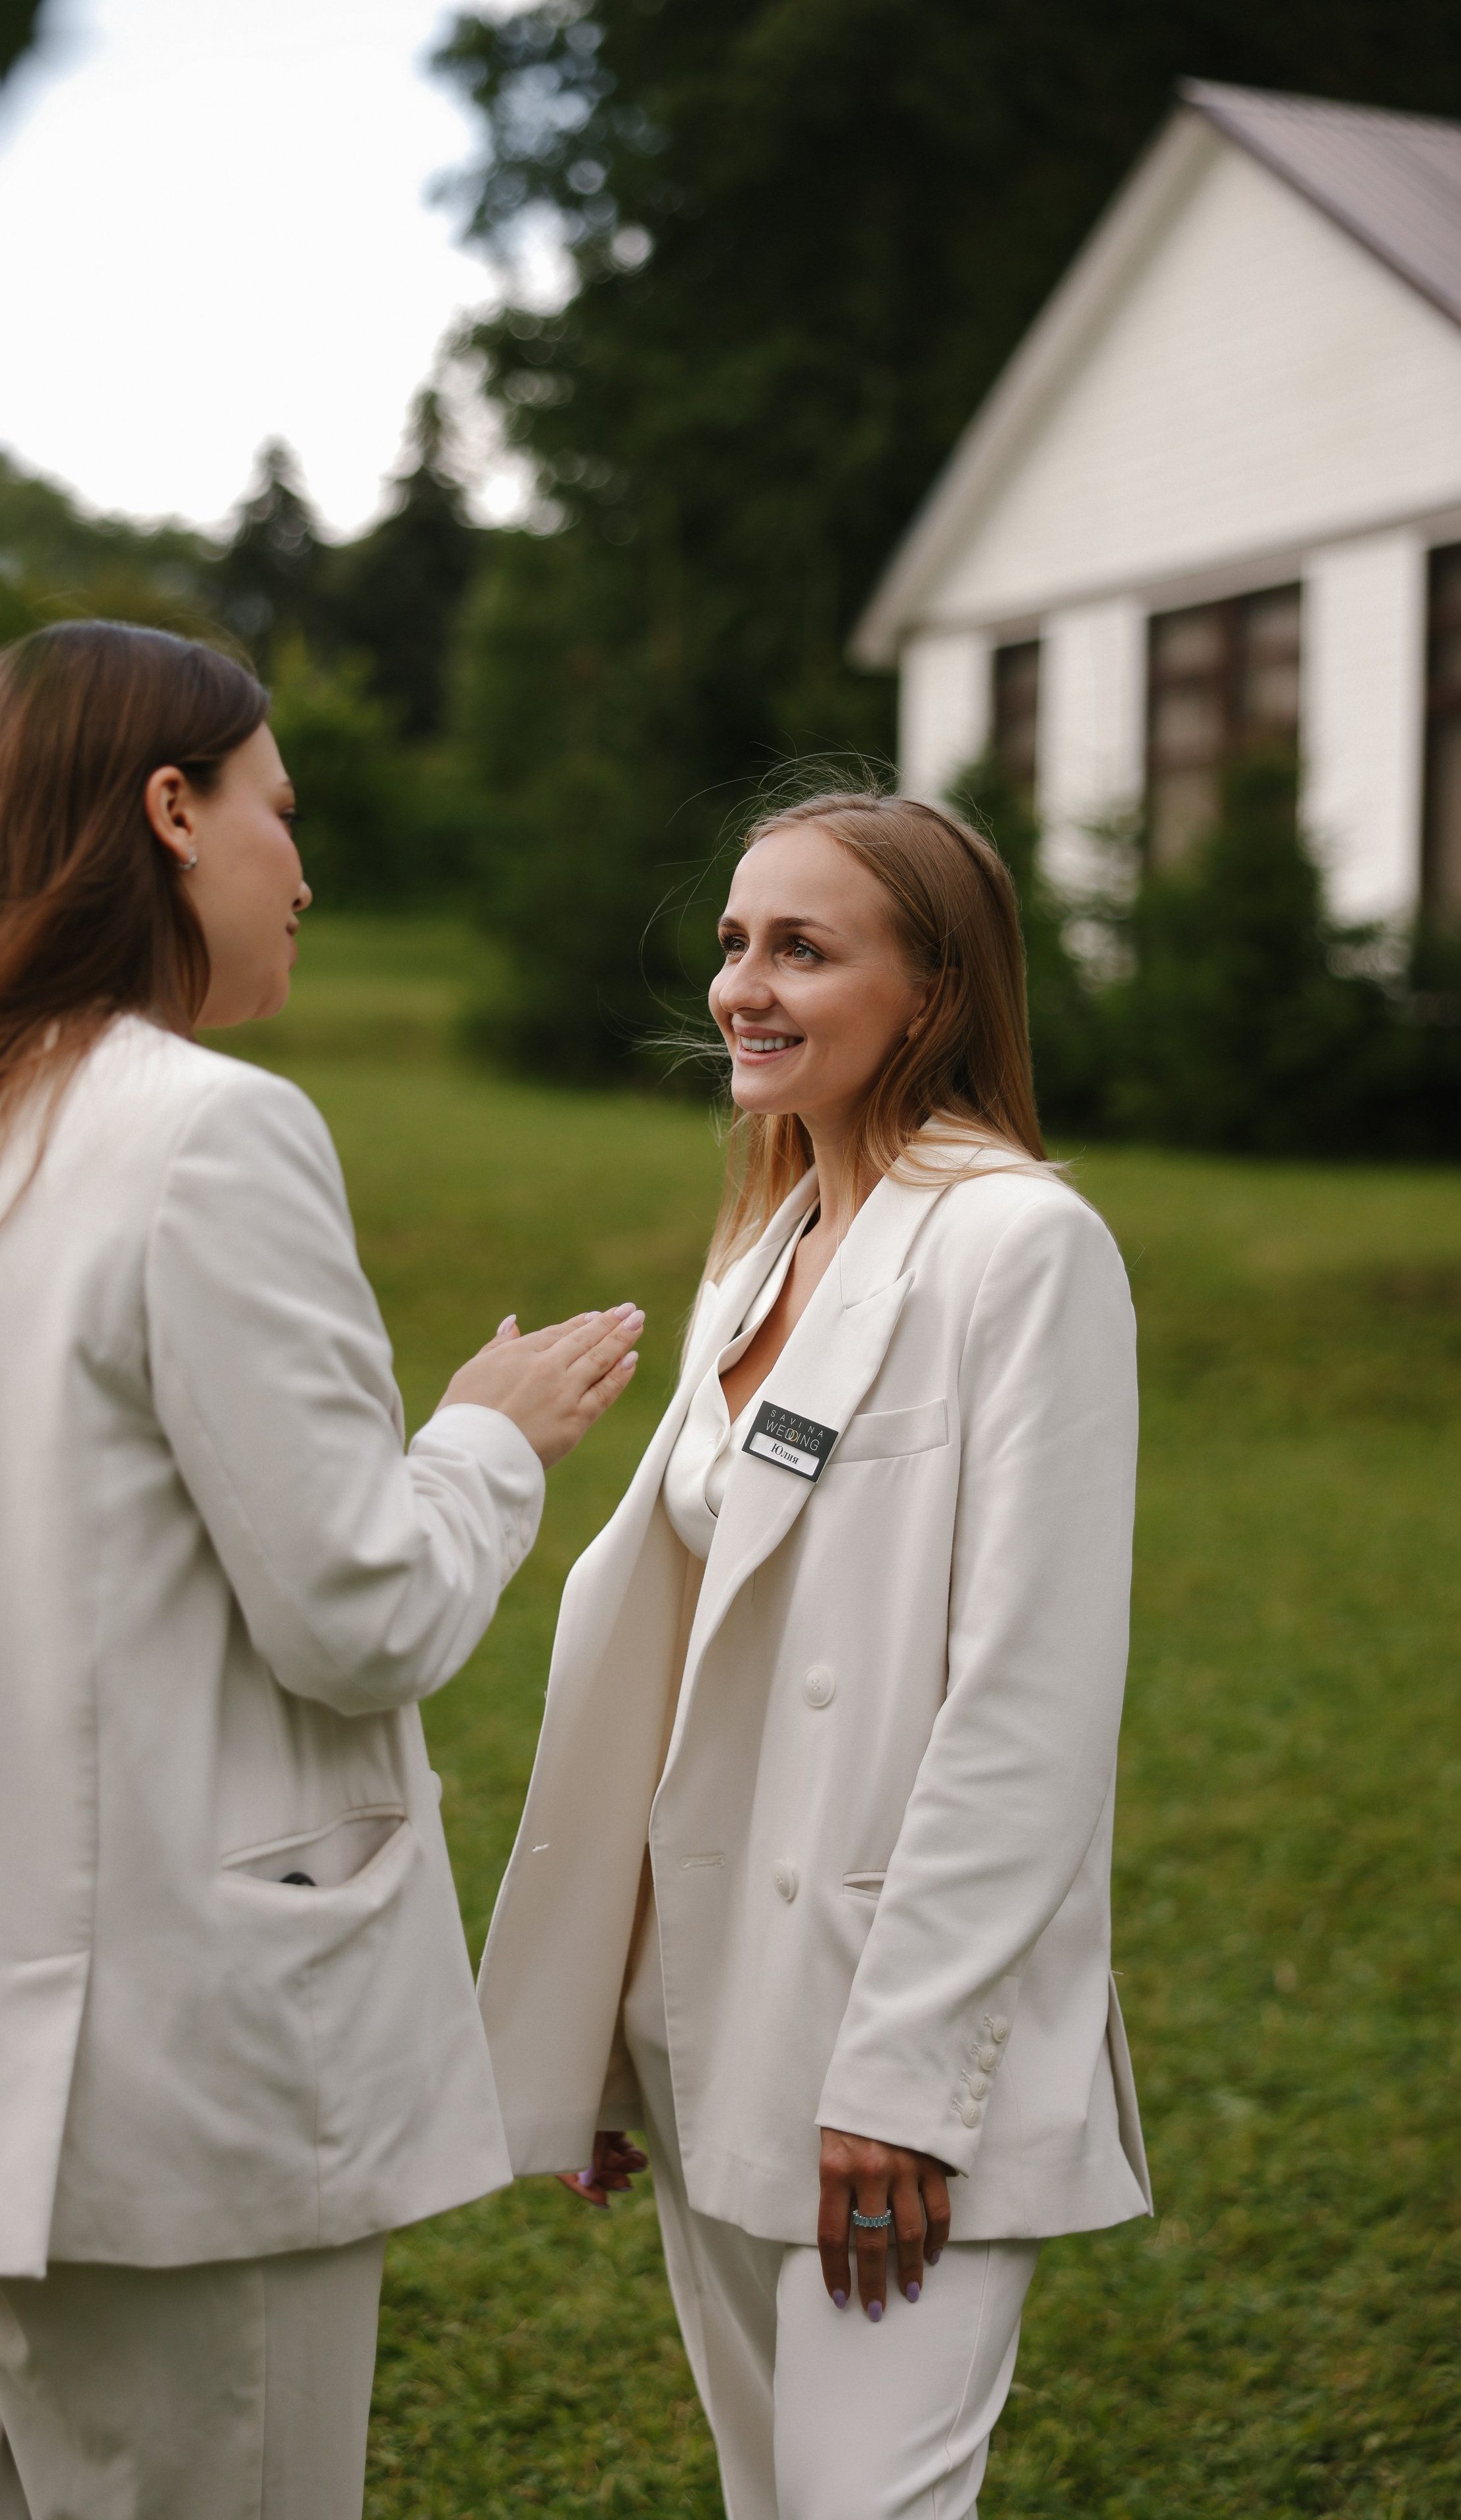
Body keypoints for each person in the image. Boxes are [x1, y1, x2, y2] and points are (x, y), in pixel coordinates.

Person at [0, 622, 644, 2520]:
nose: (305, 869)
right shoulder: (208, 1136)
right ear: (169, 814)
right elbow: (361, 1615)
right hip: (164, 2077)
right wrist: (491, 1438)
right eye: (281, 810)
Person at [478, 791, 1152, 2520]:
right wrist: (620, 2028)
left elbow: (1030, 1702)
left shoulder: (1025, 1246)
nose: (743, 988)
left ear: (931, 991)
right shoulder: (765, 1244)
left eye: (802, 948)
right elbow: (696, 1679)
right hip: (726, 2021)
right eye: (732, 944)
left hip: (904, 2042)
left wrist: (910, 2082)